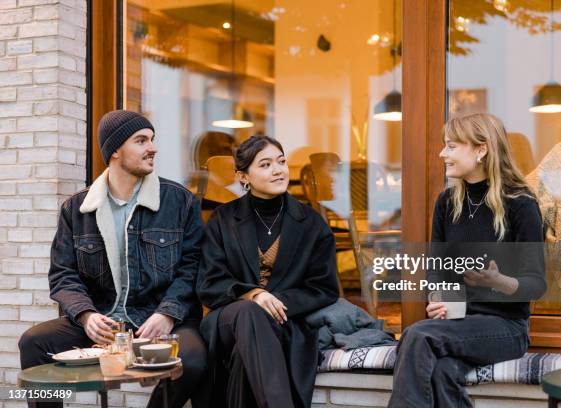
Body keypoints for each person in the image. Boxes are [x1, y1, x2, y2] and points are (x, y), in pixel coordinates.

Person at [18, 110, 207, 408]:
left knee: (193, 359)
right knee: (35, 342)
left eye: (152, 140)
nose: (152, 148)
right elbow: (63, 275)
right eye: (141, 140)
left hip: (159, 318)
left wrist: (167, 313)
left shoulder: (179, 200)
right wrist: (86, 315)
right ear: (115, 150)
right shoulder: (77, 209)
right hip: (105, 319)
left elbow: (193, 266)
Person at [388, 113, 547, 408]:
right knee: (441, 372)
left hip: (506, 327)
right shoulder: (447, 202)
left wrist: (499, 281)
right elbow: (438, 269)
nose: (442, 153)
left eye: (451, 146)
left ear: (481, 150)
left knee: (417, 334)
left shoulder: (521, 204)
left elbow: (536, 284)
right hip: (458, 322)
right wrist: (436, 297)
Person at [197, 135, 339, 408]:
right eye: (265, 164)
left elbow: (324, 287)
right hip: (227, 320)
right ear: (243, 177)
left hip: (285, 323)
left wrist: (275, 304)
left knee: (244, 355)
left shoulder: (311, 223)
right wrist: (252, 294)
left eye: (282, 162)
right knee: (250, 311)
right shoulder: (223, 219)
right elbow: (208, 283)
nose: (278, 170)